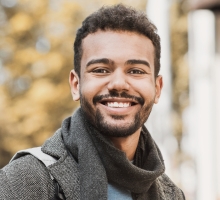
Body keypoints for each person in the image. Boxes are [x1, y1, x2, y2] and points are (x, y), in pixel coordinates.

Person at [0, 4, 185, 200]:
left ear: (157, 88)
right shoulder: (23, 182)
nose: (118, 84)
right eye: (101, 70)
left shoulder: (171, 194)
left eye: (136, 71)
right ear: (75, 84)